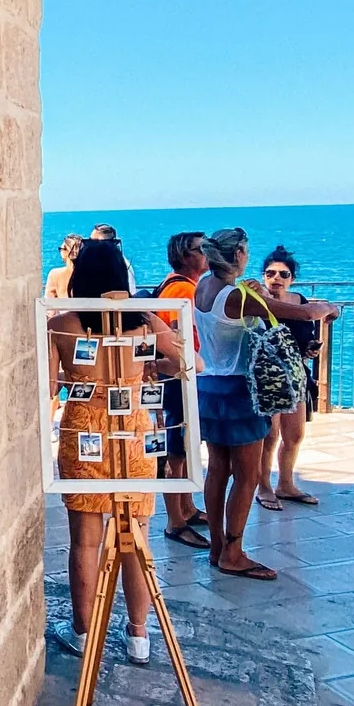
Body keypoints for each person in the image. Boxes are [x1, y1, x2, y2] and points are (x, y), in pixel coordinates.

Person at [50, 239, 184, 665]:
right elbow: (189, 363)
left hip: (84, 432)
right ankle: (139, 635)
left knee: (85, 541)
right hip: (135, 433)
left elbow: (49, 387)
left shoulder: (62, 324)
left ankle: (84, 632)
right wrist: (150, 367)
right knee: (136, 535)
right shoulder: (143, 322)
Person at [194, 229, 339, 579]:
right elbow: (302, 313)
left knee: (217, 469)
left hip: (209, 386)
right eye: (245, 252)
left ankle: (217, 546)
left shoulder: (203, 286)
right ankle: (233, 553)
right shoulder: (236, 296)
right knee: (247, 475)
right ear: (238, 255)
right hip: (240, 391)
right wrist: (329, 307)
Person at [153, 231, 209, 546]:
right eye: (202, 249)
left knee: (184, 447)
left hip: (179, 375)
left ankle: (186, 509)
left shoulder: (176, 285)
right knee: (176, 450)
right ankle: (175, 520)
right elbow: (178, 336)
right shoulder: (181, 290)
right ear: (186, 256)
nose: (207, 253)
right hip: (178, 377)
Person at [257, 247, 321, 508]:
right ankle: (264, 487)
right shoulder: (258, 302)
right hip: (268, 378)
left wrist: (311, 348)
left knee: (294, 434)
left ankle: (286, 484)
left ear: (292, 278)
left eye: (283, 274)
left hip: (296, 376)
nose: (276, 278)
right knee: (269, 436)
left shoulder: (300, 301)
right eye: (270, 273)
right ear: (263, 276)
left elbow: (306, 334)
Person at [90, 223, 137, 291]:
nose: (90, 246)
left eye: (95, 242)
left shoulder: (123, 265)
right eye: (89, 241)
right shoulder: (87, 264)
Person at [45, 233, 83, 300]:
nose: (60, 251)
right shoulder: (92, 273)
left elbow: (49, 302)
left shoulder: (55, 274)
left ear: (66, 251)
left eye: (61, 249)